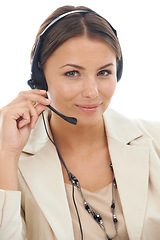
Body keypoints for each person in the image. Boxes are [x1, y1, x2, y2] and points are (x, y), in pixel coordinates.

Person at [0, 5, 160, 240]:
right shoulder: (11, 157)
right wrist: (7, 153)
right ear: (41, 78)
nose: (92, 92)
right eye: (72, 73)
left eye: (104, 72)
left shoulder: (154, 140)